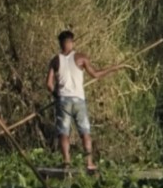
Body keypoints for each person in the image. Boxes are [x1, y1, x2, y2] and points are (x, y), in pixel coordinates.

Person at [46, 30, 127, 171]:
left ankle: (66, 162)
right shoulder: (81, 58)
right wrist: (112, 69)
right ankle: (89, 163)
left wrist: (56, 95)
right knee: (85, 132)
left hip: (63, 100)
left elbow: (49, 84)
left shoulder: (55, 60)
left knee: (64, 133)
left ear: (60, 43)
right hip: (79, 100)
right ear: (71, 42)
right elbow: (95, 74)